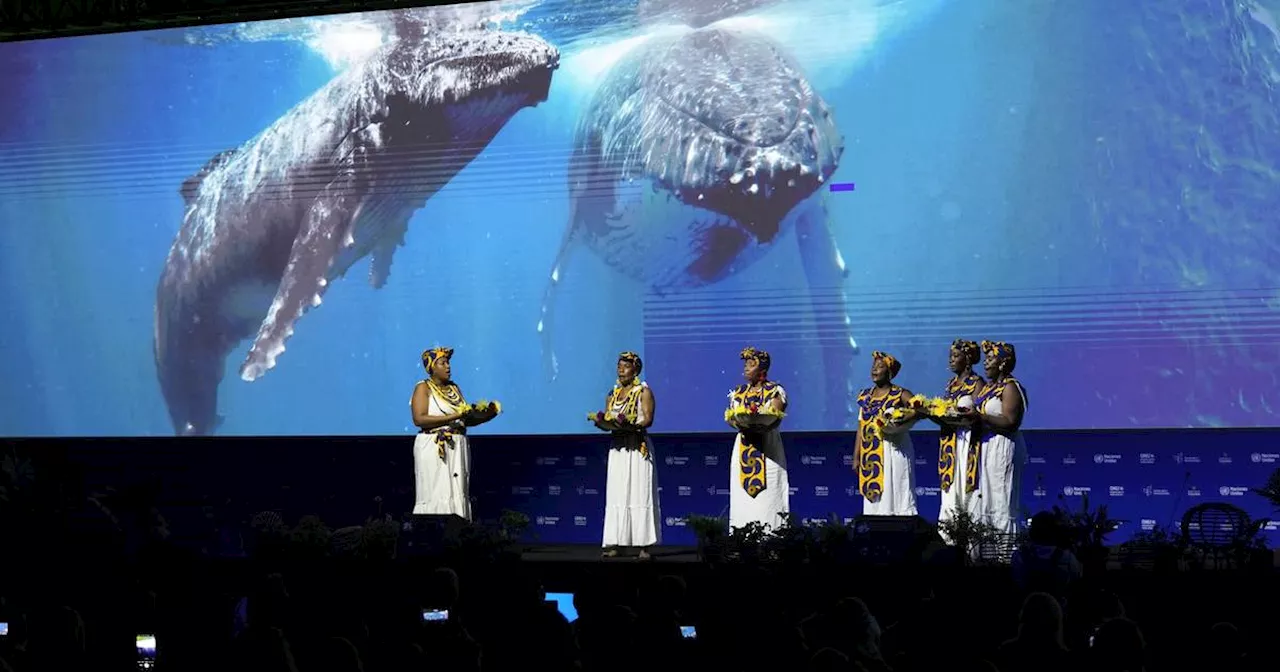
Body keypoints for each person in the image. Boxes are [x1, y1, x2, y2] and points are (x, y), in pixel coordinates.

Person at [410, 347, 498, 520]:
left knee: (457, 491)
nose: (448, 367)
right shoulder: (423, 387)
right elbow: (419, 419)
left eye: (448, 363)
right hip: (434, 447)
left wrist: (487, 414)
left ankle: (459, 533)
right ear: (432, 367)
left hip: (457, 447)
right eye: (443, 363)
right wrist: (455, 415)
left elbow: (464, 419)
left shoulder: (454, 388)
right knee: (436, 491)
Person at [595, 351, 661, 559]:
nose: (620, 369)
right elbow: (608, 418)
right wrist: (603, 423)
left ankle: (644, 546)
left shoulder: (644, 391)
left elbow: (648, 419)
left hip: (637, 447)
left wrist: (632, 426)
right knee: (617, 493)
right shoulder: (612, 394)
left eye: (625, 366)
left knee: (640, 492)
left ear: (636, 370)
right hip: (618, 449)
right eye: (619, 365)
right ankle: (615, 543)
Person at [725, 346, 789, 530]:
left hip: (768, 449)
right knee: (742, 499)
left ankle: (772, 543)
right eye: (745, 364)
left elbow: (775, 413)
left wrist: (760, 421)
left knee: (769, 497)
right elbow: (732, 417)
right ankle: (741, 540)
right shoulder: (739, 391)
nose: (746, 368)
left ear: (762, 369)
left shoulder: (775, 390)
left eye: (751, 364)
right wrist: (739, 422)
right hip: (744, 446)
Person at [854, 351, 920, 516]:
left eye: (880, 366)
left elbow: (920, 408)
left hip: (894, 451)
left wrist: (901, 419)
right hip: (871, 453)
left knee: (896, 493)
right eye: (873, 366)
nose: (875, 370)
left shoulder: (900, 393)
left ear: (889, 372)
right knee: (875, 503)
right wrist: (857, 456)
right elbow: (861, 426)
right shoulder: (865, 396)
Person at [975, 340, 1028, 534]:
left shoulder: (1011, 387)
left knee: (1002, 500)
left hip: (1003, 446)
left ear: (1003, 363)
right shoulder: (988, 388)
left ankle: (1004, 557)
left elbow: (1011, 421)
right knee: (986, 502)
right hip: (986, 446)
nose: (985, 363)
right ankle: (986, 553)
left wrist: (980, 417)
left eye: (990, 359)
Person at [934, 339, 985, 538]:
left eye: (956, 356)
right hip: (950, 442)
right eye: (950, 356)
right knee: (950, 493)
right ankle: (947, 543)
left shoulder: (977, 382)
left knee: (967, 491)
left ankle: (970, 547)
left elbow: (980, 414)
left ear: (968, 359)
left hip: (968, 442)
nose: (951, 360)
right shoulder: (950, 384)